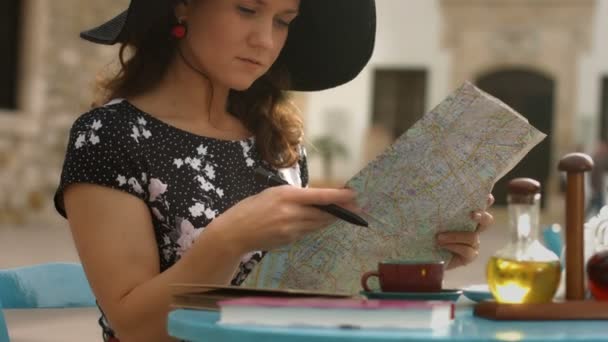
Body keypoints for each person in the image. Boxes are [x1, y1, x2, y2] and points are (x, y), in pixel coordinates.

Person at [54, 0, 494, 341]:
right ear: (183, 4)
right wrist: (229, 240)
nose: (265, 39)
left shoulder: (275, 139)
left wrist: (420, 254)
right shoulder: (109, 135)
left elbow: (304, 287)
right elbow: (134, 327)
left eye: (283, 20)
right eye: (247, 9)